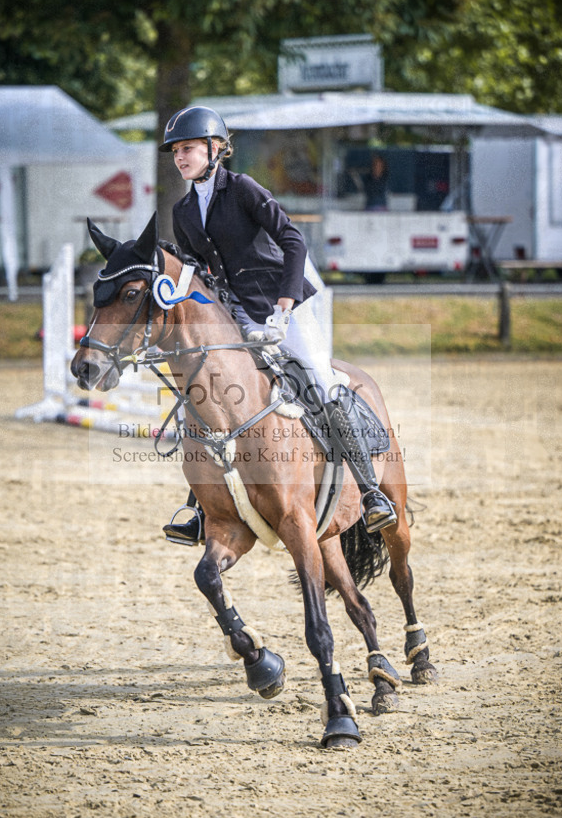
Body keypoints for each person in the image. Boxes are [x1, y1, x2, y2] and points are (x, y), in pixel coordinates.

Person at [159, 105, 396, 545]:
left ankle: (370, 494)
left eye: (188, 148)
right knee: (210, 395)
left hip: (284, 304)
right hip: (236, 313)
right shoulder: (184, 210)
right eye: (175, 150)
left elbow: (293, 240)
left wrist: (284, 305)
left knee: (320, 383)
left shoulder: (243, 189)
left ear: (215, 149)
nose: (180, 156)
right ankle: (197, 510)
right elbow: (198, 272)